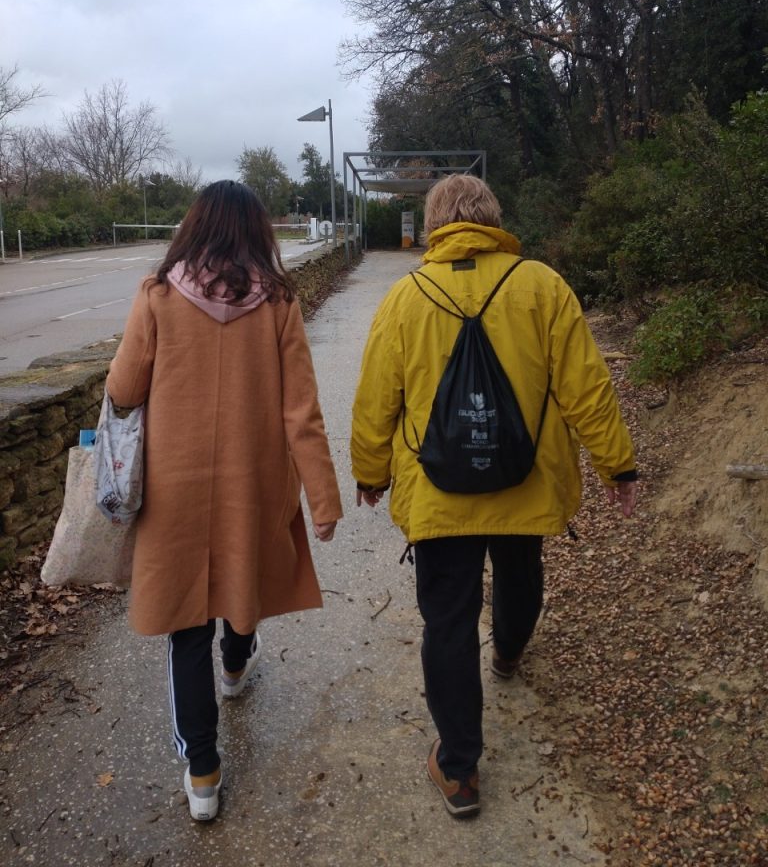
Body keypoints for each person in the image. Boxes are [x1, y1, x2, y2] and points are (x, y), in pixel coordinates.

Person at [350, 174, 637, 818]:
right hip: (522, 479)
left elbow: (375, 399)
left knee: (448, 621)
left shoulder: (405, 297)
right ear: (493, 218)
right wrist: (617, 466)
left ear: (434, 225)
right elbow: (585, 386)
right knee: (519, 570)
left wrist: (371, 474)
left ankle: (459, 770)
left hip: (438, 493)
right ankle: (508, 650)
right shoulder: (542, 287)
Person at [106, 180, 341, 822]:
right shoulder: (279, 303)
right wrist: (322, 499)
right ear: (258, 233)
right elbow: (301, 412)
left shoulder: (157, 295)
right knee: (241, 575)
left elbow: (123, 389)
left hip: (174, 489)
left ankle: (203, 772)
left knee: (187, 623)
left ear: (194, 227)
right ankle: (236, 665)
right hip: (251, 481)